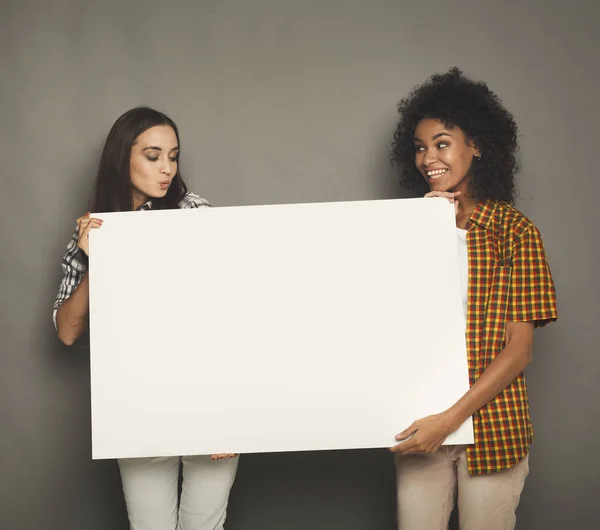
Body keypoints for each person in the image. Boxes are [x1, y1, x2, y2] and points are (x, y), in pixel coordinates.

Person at [53, 106, 238, 530]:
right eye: (153, 156)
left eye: (173, 156)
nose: (167, 168)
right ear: (124, 158)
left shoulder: (193, 213)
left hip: (208, 398)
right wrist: (98, 260)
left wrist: (232, 412)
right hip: (139, 402)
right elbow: (66, 331)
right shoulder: (94, 228)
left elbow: (229, 313)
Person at [388, 68, 557, 529]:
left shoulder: (515, 232)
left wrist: (451, 419)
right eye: (420, 147)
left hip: (493, 430)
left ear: (476, 145)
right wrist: (425, 230)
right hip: (420, 429)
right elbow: (391, 327)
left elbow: (519, 350)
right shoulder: (408, 230)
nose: (429, 158)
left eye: (442, 143)